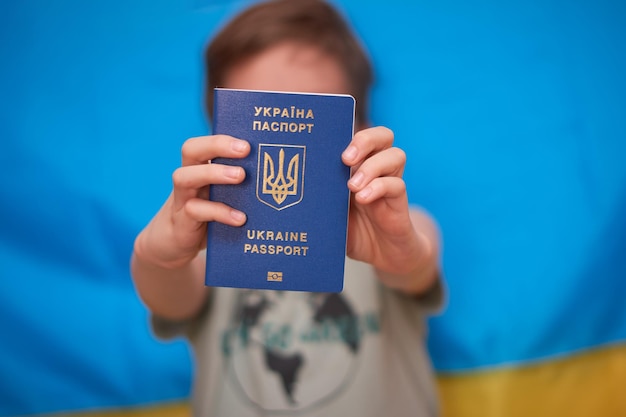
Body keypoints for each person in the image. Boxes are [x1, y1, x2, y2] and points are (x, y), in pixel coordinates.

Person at [131, 0, 444, 415]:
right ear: (222, 133)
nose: (286, 135)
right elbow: (170, 295)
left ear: (360, 130)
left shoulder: (394, 232)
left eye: (312, 117)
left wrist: (406, 254)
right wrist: (155, 254)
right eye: (260, 116)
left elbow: (415, 262)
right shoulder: (209, 239)